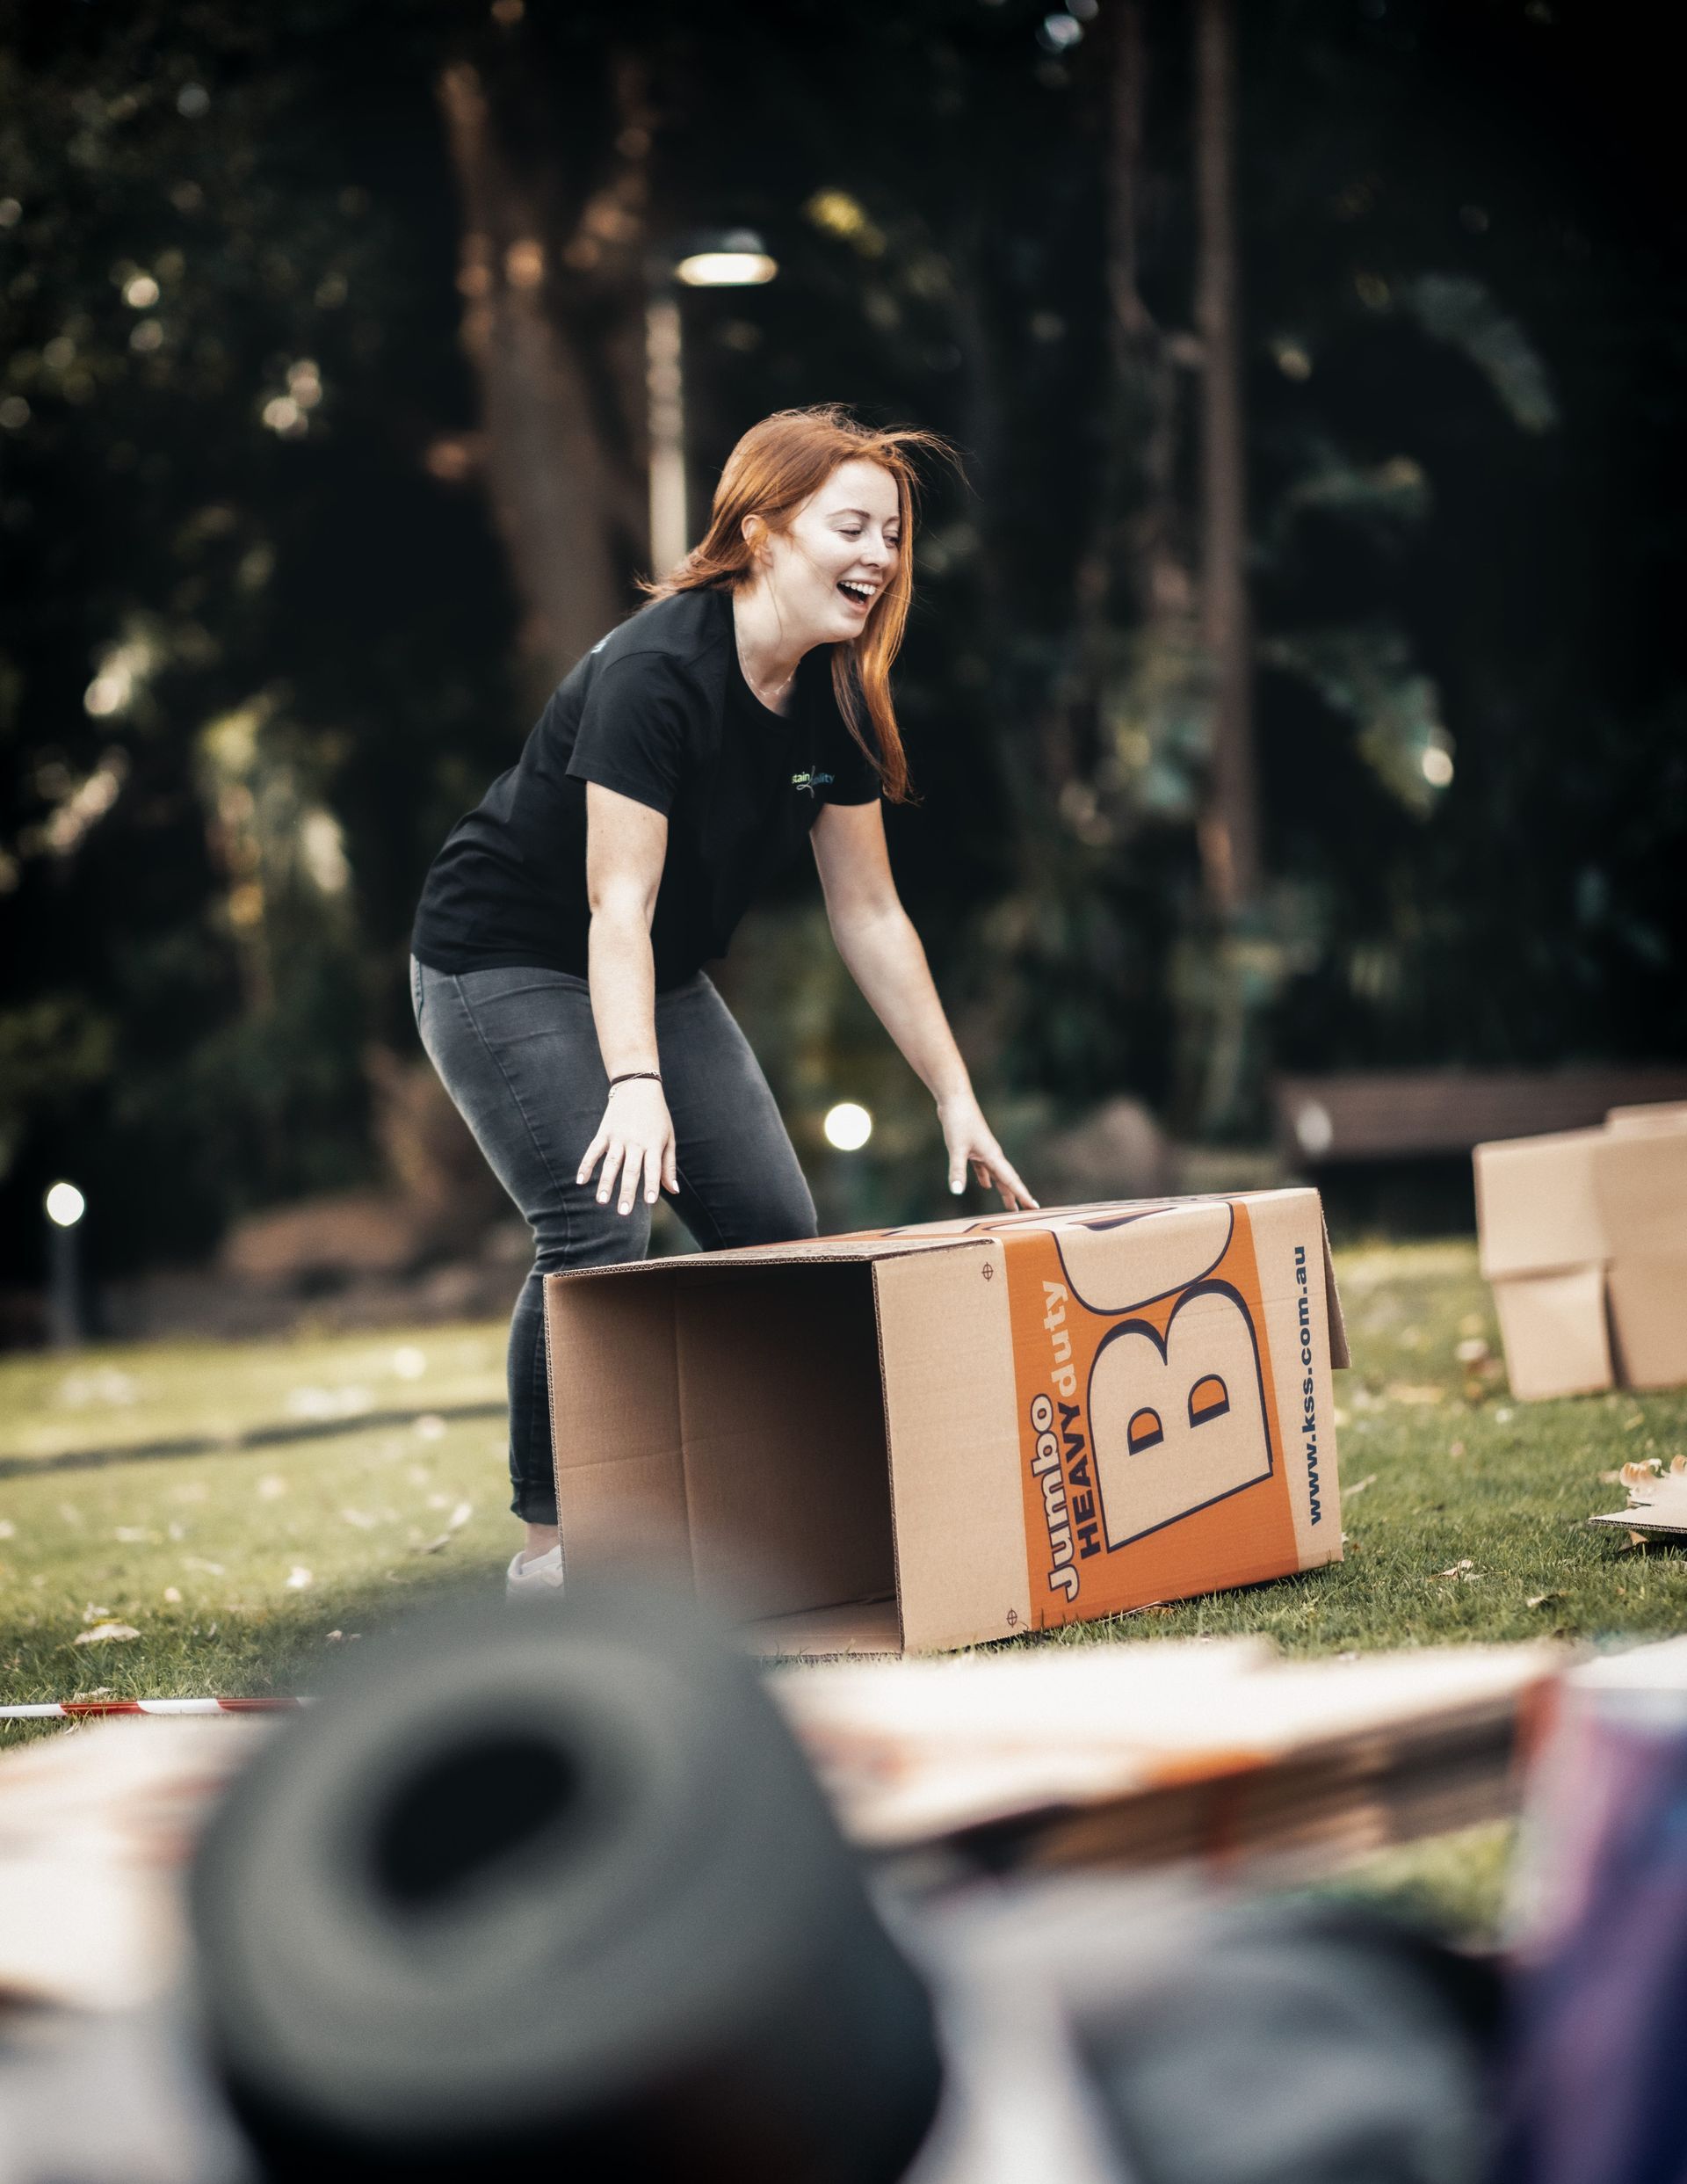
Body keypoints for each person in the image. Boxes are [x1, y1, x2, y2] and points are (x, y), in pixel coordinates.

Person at [409, 403, 1036, 1596]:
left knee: (776, 1244)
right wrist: (634, 1084)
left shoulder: (836, 699)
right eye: (853, 526)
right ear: (762, 529)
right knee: (598, 1218)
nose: (882, 557)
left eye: (894, 535)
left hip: (655, 963)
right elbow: (617, 904)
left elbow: (869, 913)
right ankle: (551, 1555)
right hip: (499, 955)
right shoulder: (657, 671)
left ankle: (772, 1526)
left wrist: (956, 1094)